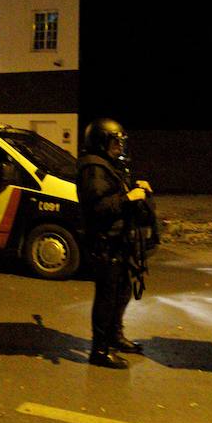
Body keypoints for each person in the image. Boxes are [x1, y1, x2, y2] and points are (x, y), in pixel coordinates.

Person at [78, 117, 153, 369]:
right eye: (114, 142)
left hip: (119, 240)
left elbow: (115, 193)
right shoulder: (93, 168)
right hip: (105, 242)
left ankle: (114, 336)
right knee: (106, 296)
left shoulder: (109, 165)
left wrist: (137, 189)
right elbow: (98, 207)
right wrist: (127, 198)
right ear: (101, 142)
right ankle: (99, 350)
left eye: (120, 142)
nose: (119, 147)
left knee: (122, 291)